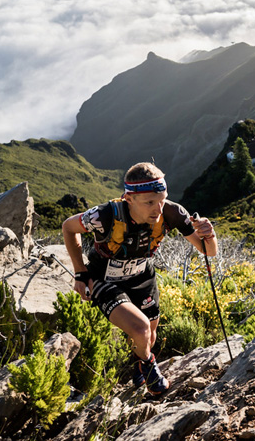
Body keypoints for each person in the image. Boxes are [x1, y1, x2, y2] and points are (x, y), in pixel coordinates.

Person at [61, 162, 216, 395]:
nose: (158, 209)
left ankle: (137, 368)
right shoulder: (103, 216)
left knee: (150, 335)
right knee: (141, 328)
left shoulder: (173, 212)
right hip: (105, 278)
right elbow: (68, 227)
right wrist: (80, 272)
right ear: (129, 198)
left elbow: (208, 251)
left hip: (143, 277)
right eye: (150, 202)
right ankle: (149, 366)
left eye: (162, 199)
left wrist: (209, 233)